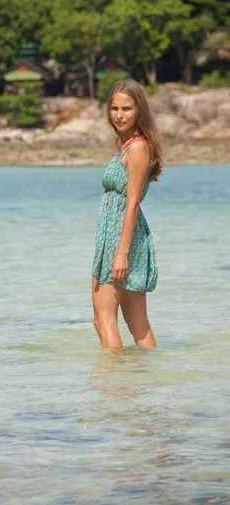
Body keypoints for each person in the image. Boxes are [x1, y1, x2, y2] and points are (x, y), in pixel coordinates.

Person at [92, 79, 163, 349]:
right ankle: (142, 382)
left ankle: (115, 385)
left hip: (120, 239)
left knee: (103, 320)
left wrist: (120, 253)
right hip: (121, 236)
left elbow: (132, 204)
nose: (119, 115)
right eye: (114, 108)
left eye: (127, 108)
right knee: (138, 325)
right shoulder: (127, 146)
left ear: (139, 112)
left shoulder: (137, 148)